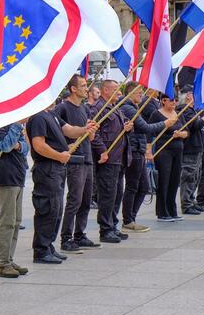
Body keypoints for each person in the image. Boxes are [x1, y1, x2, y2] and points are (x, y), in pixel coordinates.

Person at [28, 102, 93, 264]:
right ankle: (41, 251)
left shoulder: (51, 114)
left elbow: (69, 130)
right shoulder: (38, 117)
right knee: (47, 208)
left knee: (56, 210)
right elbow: (38, 145)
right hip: (47, 168)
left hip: (57, 168)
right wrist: (59, 155)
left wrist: (85, 129)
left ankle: (48, 246)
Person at [54, 75, 100, 252]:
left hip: (87, 157)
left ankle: (80, 235)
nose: (86, 88)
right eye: (82, 85)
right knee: (75, 199)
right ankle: (66, 238)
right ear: (73, 89)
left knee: (86, 200)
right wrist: (65, 146)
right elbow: (56, 131)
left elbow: (89, 136)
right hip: (74, 159)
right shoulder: (62, 108)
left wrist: (92, 130)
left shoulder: (84, 109)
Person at [118, 82, 168, 233]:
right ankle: (128, 220)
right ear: (129, 93)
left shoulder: (134, 107)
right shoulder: (128, 108)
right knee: (133, 186)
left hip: (138, 149)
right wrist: (165, 123)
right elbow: (145, 127)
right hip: (133, 150)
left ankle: (131, 218)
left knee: (143, 187)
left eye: (141, 92)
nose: (141, 94)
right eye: (138, 92)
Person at [89, 79, 132, 244]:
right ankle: (105, 229)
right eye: (115, 90)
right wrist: (101, 150)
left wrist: (127, 127)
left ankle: (113, 225)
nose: (119, 93)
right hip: (108, 157)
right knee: (107, 194)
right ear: (105, 91)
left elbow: (117, 129)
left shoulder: (115, 108)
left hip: (119, 157)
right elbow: (95, 132)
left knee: (116, 193)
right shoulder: (99, 108)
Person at [0, 121, 29, 278]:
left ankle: (8, 258)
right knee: (7, 220)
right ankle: (2, 262)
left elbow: (26, 148)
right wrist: (16, 128)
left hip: (18, 175)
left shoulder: (18, 127)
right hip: (6, 175)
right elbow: (5, 146)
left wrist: (19, 145)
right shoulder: (0, 125)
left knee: (16, 221)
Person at [147, 95, 188, 222]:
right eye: (171, 100)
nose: (174, 103)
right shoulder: (156, 114)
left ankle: (172, 210)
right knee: (164, 180)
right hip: (164, 150)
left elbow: (187, 131)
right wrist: (148, 150)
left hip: (178, 149)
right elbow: (149, 132)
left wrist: (181, 134)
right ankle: (162, 212)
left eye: (175, 100)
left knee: (175, 181)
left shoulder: (177, 113)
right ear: (163, 101)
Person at [178, 89, 204, 215]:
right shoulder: (184, 110)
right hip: (190, 148)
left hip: (197, 147)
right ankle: (186, 204)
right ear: (189, 97)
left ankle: (191, 200)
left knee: (196, 176)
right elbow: (196, 125)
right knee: (189, 176)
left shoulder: (192, 110)